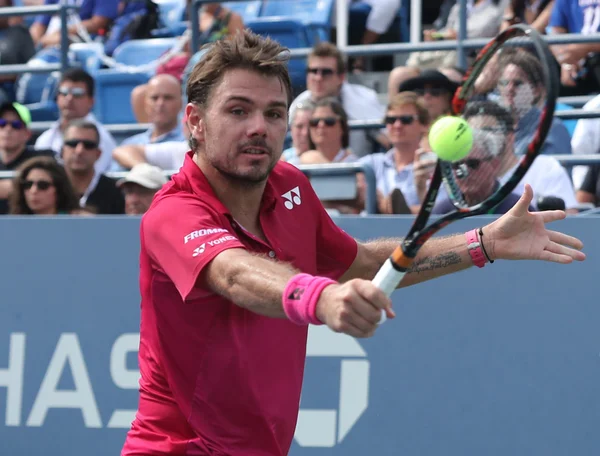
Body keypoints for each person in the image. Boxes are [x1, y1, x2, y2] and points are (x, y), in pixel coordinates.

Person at [121, 30, 585, 456]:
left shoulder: (289, 185)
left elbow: (357, 263)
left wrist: (483, 242)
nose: (259, 127)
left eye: (274, 113)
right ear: (196, 122)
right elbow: (234, 272)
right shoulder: (172, 213)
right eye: (238, 110)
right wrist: (321, 298)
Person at [130, 1, 244, 123]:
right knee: (140, 94)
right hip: (190, 69)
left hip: (211, 73)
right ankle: (151, 138)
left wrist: (199, 50)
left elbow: (235, 52)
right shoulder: (197, 15)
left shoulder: (231, 18)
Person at [8, 155, 80, 215]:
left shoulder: (77, 220)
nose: (33, 191)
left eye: (42, 185)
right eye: (28, 185)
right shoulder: (12, 225)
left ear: (59, 189)